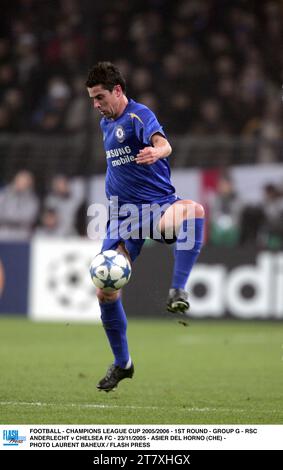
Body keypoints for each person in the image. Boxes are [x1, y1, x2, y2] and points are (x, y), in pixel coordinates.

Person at [86, 62, 205, 392]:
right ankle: (123, 364)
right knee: (105, 292)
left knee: (194, 211)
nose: (95, 104)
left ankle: (178, 290)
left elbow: (163, 143)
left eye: (99, 97)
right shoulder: (104, 123)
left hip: (156, 209)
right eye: (92, 99)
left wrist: (158, 151)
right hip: (121, 218)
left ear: (118, 91)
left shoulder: (138, 116)